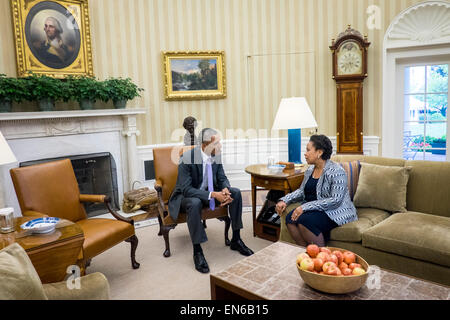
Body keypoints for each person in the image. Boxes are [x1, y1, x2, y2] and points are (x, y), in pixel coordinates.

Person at [168, 128, 254, 273]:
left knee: (236, 193)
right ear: (205, 145)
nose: (220, 146)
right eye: (217, 143)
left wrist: (225, 188)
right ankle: (197, 251)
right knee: (195, 202)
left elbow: (222, 178)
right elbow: (187, 189)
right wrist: (213, 194)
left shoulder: (216, 155)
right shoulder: (186, 158)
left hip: (208, 193)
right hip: (185, 197)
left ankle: (236, 240)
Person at [275, 135, 357, 247]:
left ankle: (321, 256)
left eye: (308, 150)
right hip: (316, 209)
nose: (305, 153)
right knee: (290, 218)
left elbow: (335, 201)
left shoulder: (337, 171)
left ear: (319, 152)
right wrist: (285, 200)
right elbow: (301, 191)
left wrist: (304, 207)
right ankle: (305, 254)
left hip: (335, 210)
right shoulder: (309, 170)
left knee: (305, 221)